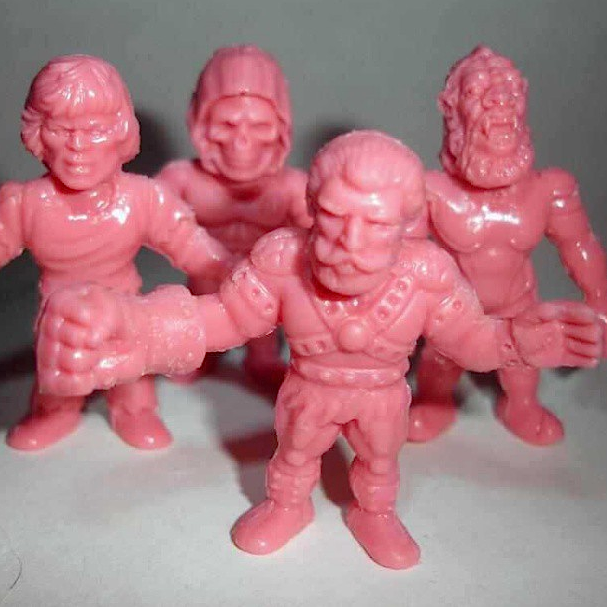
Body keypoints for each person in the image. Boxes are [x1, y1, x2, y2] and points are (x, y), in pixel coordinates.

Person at [36, 131, 601, 568]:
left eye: (374, 225)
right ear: (311, 208)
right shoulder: (282, 260)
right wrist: (143, 331)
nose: (349, 243)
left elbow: (472, 340)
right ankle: (288, 507)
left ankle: (375, 514)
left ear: (407, 226)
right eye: (333, 217)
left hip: (382, 396)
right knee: (294, 457)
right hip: (309, 390)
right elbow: (224, 318)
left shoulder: (428, 276)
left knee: (380, 461)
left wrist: (520, 341)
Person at [0, 54, 230, 450]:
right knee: (56, 376)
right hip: (59, 320)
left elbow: (192, 247)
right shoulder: (26, 204)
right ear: (39, 133)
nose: (77, 146)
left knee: (131, 375)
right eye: (61, 129)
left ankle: (134, 410)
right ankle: (54, 412)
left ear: (120, 131)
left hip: (124, 312)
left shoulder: (142, 198)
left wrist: (236, 274)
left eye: (94, 130)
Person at [409, 46, 607, 446]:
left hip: (519, 304)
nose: (499, 100)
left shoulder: (549, 189)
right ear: (453, 111)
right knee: (439, 362)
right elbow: (403, 259)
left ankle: (521, 406)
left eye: (511, 92)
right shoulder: (430, 191)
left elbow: (579, 245)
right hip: (454, 309)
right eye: (477, 93)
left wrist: (601, 302)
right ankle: (435, 403)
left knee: (523, 366)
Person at [157, 45, 310, 385]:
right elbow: (143, 217)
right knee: (198, 321)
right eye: (227, 124)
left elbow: (322, 239)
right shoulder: (182, 179)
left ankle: (263, 358)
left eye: (259, 125)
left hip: (265, 290)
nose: (241, 141)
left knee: (264, 329)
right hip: (204, 284)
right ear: (200, 124)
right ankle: (201, 353)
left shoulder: (294, 187)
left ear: (281, 127)